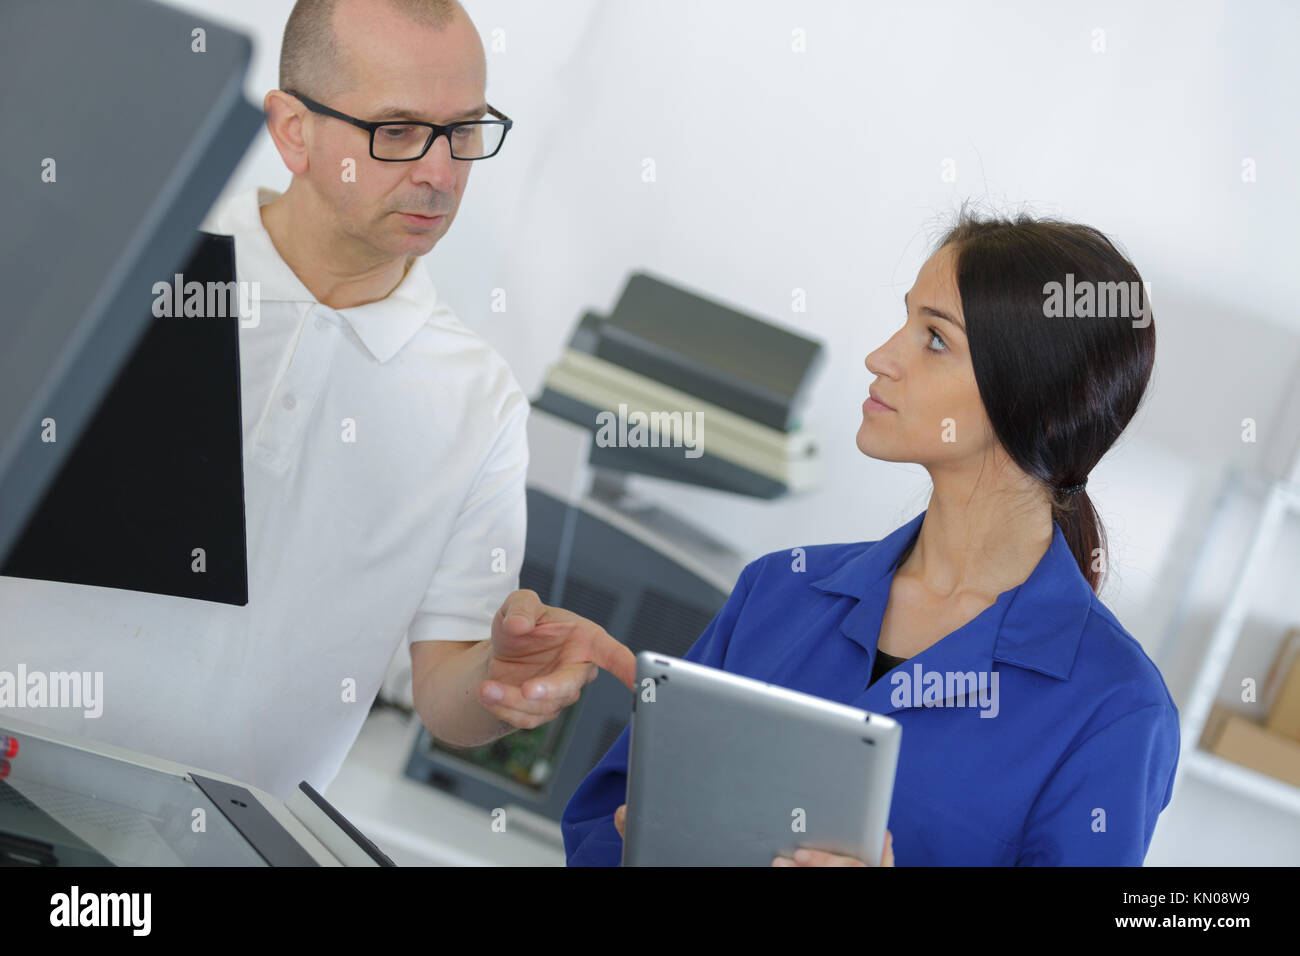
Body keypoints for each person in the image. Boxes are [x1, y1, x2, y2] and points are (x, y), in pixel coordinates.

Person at [0, 0, 632, 802]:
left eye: (464, 132)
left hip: (230, 846)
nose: (439, 173)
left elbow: (447, 694)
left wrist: (499, 682)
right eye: (397, 131)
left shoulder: (481, 401)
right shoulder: (126, 273)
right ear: (293, 130)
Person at [540, 207, 1179, 865]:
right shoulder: (780, 591)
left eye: (935, 339)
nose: (881, 358)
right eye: (907, 321)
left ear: (1035, 399)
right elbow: (599, 827)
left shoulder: (1115, 709)